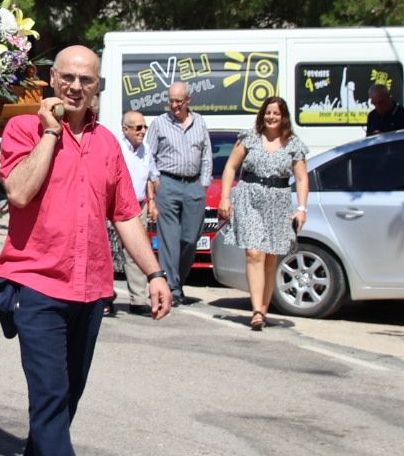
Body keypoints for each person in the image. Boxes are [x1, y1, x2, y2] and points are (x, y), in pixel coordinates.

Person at [0, 45, 171, 456]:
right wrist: (50, 132)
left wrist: (155, 274)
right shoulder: (23, 130)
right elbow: (20, 192)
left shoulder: (109, 144)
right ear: (52, 80)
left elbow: (126, 215)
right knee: (48, 392)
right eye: (67, 78)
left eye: (86, 80)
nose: (75, 87)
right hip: (36, 282)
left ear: (98, 87)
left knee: (67, 395)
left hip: (91, 287)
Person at [216, 96, 311, 331]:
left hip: (278, 200)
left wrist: (301, 208)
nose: (271, 117)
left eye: (276, 113)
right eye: (268, 113)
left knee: (270, 257)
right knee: (254, 253)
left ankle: (264, 308)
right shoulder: (249, 138)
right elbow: (230, 167)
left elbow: (301, 177)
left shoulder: (293, 144)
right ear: (262, 115)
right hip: (249, 196)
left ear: (283, 117)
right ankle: (256, 309)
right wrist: (225, 197)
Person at [145, 81, 210, 305]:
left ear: (188, 101)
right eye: (171, 101)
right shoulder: (159, 124)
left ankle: (177, 279)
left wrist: (203, 184)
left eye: (178, 101)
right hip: (168, 183)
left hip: (193, 185)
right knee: (169, 240)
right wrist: (155, 182)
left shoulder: (200, 122)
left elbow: (206, 155)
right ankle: (172, 287)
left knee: (190, 239)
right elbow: (149, 155)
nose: (174, 106)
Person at [108, 111, 153, 316]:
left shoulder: (147, 150)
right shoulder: (115, 147)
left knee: (137, 253)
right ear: (125, 129)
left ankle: (138, 300)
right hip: (115, 205)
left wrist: (152, 202)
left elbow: (150, 177)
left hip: (139, 205)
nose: (143, 131)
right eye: (138, 127)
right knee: (109, 253)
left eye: (145, 127)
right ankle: (105, 297)